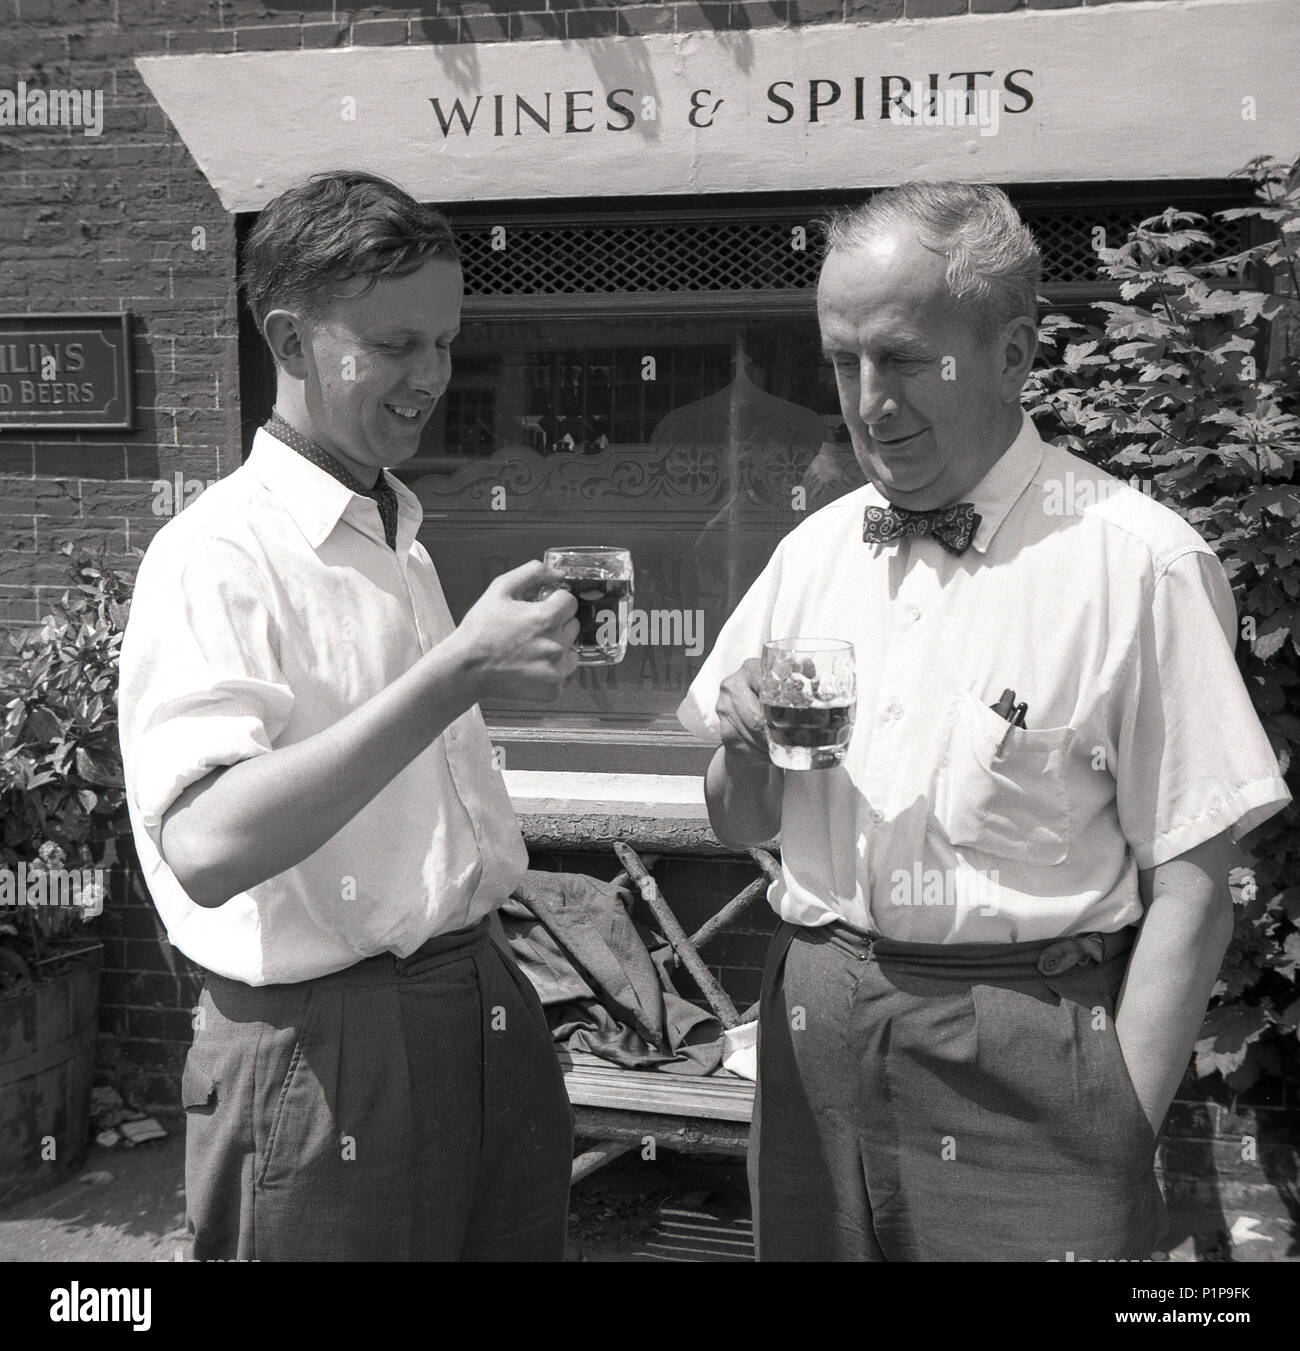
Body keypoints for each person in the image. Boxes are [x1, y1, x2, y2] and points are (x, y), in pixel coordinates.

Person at [677, 181, 1291, 1262]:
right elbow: (740, 824)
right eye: (841, 360)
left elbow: (1194, 882)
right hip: (814, 1025)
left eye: (906, 359)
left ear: (1012, 353)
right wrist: (738, 747)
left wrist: (1112, 1131)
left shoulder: (1135, 563)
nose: (868, 402)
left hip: (1025, 1054)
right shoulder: (813, 553)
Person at [118, 171, 580, 1261]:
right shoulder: (216, 553)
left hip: (478, 998)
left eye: (447, 342)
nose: (433, 377)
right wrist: (457, 670)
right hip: (325, 1049)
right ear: (289, 336)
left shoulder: (394, 534)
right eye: (394, 345)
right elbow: (210, 844)